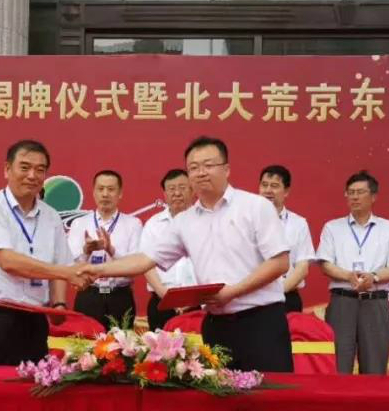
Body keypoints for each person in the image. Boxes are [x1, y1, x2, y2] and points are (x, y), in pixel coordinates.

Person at [85, 136, 293, 372]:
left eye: (208, 165)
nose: (201, 173)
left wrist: (233, 292)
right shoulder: (185, 221)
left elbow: (279, 263)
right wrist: (96, 270)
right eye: (194, 167)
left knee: (271, 391)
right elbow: (145, 259)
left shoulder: (255, 207)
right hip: (216, 326)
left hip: (262, 322)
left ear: (226, 169)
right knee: (222, 392)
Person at [0, 139, 90, 365]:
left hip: (34, 320)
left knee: (34, 384)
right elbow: (8, 261)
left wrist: (58, 304)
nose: (32, 175)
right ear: (7, 169)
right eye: (25, 167)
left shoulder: (51, 216)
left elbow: (60, 263)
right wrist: (66, 272)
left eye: (40, 170)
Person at [316, 170, 389, 375]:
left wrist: (373, 277)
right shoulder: (332, 227)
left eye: (360, 192)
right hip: (342, 302)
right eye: (350, 192)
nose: (355, 197)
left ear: (373, 196)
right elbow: (325, 264)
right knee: (339, 366)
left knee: (374, 367)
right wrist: (348, 276)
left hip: (374, 302)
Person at [66, 170, 143, 328]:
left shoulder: (133, 224)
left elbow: (136, 265)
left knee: (123, 343)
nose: (105, 194)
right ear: (94, 192)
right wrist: (86, 251)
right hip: (88, 295)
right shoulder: (79, 223)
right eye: (100, 189)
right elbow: (70, 265)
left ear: (120, 193)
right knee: (85, 342)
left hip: (120, 296)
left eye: (111, 189)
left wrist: (111, 250)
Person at [141, 169, 197, 331]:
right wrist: (165, 294)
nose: (177, 193)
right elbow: (146, 264)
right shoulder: (153, 224)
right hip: (162, 301)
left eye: (182, 188)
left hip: (198, 303)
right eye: (172, 189)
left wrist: (195, 299)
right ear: (164, 194)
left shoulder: (205, 220)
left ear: (192, 190)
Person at [258, 165, 316, 313]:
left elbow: (302, 268)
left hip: (287, 297)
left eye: (274, 186)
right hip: (253, 297)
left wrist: (278, 292)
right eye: (264, 185)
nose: (268, 190)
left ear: (286, 191)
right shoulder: (246, 221)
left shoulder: (299, 223)